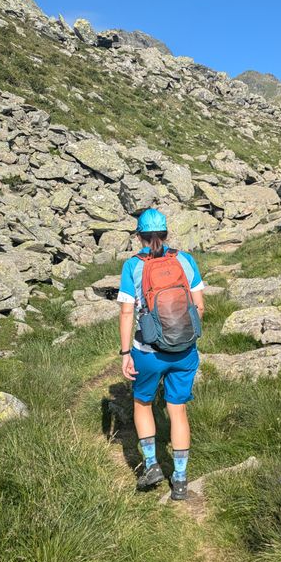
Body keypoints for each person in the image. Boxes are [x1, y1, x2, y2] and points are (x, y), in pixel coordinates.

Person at [117, 208, 205, 500]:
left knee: (142, 403)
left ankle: (152, 465)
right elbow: (199, 308)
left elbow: (127, 311)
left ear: (139, 235)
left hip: (148, 351)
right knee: (177, 411)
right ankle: (179, 481)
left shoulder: (133, 266)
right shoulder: (184, 259)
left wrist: (126, 352)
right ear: (167, 234)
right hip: (184, 350)